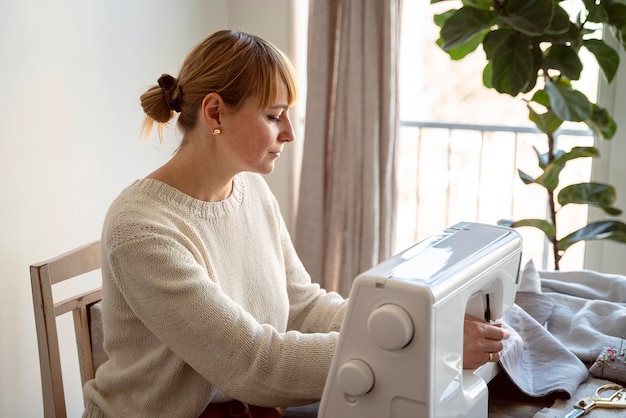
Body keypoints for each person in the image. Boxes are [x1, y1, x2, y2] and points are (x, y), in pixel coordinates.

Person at [82, 30, 509, 418]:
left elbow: (304, 306)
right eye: (273, 116)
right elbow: (253, 364)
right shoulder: (140, 231)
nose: (289, 132)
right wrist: (428, 349)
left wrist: (414, 326)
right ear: (215, 113)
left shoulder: (250, 191)